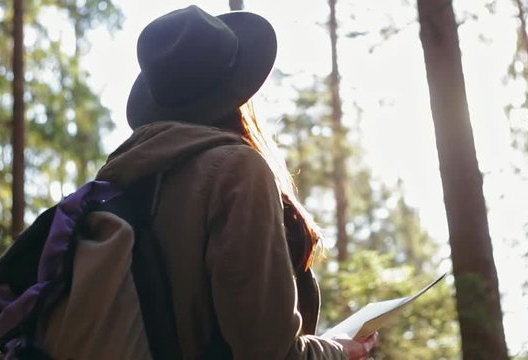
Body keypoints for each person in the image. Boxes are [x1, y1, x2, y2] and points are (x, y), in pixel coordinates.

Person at [58, 5, 377, 359]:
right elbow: (268, 351)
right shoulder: (236, 170)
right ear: (238, 92)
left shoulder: (129, 179)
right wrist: (340, 352)